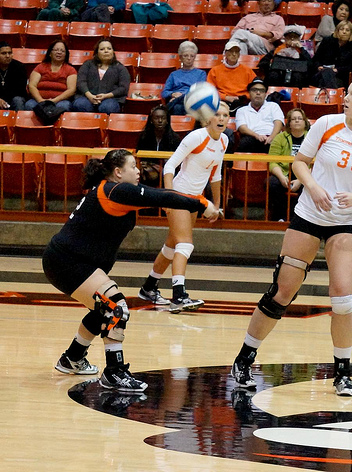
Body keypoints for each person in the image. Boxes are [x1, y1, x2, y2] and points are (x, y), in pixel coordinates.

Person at [230, 77, 352, 396]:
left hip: (345, 222)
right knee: (282, 291)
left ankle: (342, 373)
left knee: (343, 299)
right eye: (347, 93)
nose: (345, 98)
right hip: (309, 214)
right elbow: (300, 163)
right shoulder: (327, 124)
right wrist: (314, 188)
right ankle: (244, 359)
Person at [44, 149, 217, 392]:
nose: (138, 171)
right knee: (115, 307)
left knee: (102, 309)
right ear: (118, 172)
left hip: (71, 261)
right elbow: (161, 196)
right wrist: (201, 203)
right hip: (67, 261)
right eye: (133, 167)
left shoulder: (115, 192)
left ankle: (72, 358)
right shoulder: (115, 190)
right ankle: (113, 373)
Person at [138, 102, 230, 310]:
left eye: (225, 115)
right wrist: (169, 197)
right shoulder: (196, 137)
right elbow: (169, 166)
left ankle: (148, 288)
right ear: (208, 119)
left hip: (195, 199)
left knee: (172, 246)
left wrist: (216, 205)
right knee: (185, 244)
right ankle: (179, 296)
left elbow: (215, 175)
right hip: (178, 195)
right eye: (217, 115)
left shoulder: (223, 141)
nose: (222, 119)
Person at [268, 108, 310, 221]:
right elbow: (272, 161)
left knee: (309, 186)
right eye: (293, 119)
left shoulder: (311, 138)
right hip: (284, 172)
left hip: (305, 174)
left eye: (300, 118)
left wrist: (301, 180)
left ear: (305, 122)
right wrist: (281, 177)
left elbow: (316, 164)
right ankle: (279, 217)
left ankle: (297, 219)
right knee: (272, 184)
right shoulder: (280, 138)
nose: (297, 121)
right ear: (289, 123)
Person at [72, 39, 130, 114]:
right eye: (102, 49)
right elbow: (81, 82)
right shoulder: (87, 65)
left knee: (108, 107)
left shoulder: (120, 68)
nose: (106, 51)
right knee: (80, 104)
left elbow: (123, 88)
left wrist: (106, 96)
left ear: (113, 52)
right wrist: (90, 96)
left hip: (111, 99)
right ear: (97, 53)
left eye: (109, 49)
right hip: (87, 97)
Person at [136, 105, 181, 188]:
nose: (160, 121)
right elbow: (139, 156)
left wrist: (161, 167)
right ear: (151, 120)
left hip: (168, 170)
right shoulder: (143, 137)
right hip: (149, 169)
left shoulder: (175, 138)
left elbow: (178, 161)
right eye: (156, 118)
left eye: (163, 118)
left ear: (167, 121)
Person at [25, 40, 77, 113]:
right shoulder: (40, 67)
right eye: (56, 50)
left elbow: (71, 90)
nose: (59, 52)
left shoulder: (70, 70)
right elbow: (32, 85)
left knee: (64, 106)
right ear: (50, 53)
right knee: (29, 105)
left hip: (61, 101)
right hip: (39, 100)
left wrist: (54, 100)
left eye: (62, 51)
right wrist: (40, 100)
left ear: (66, 55)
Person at [235, 77, 284, 153]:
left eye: (261, 90)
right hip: (252, 138)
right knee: (244, 143)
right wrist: (257, 136)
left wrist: (271, 137)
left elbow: (278, 123)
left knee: (279, 142)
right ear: (249, 93)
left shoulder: (273, 106)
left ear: (265, 94)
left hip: (272, 137)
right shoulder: (241, 110)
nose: (258, 93)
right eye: (254, 90)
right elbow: (242, 128)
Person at [206, 40, 256, 114]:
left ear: (239, 54)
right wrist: (225, 97)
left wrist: (243, 97)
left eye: (236, 52)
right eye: (231, 51)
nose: (234, 54)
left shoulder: (248, 71)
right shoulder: (215, 71)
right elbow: (209, 90)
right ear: (225, 53)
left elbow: (255, 88)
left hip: (242, 102)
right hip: (221, 102)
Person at [258, 24, 313, 89]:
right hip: (279, 76)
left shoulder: (302, 51)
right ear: (285, 38)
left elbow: (310, 65)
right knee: (273, 75)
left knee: (298, 76)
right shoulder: (278, 50)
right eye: (289, 37)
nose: (292, 39)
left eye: (295, 37)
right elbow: (263, 63)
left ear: (298, 39)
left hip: (296, 77)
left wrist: (301, 49)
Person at [312, 20, 352, 89]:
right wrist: (319, 67)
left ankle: (326, 96)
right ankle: (333, 95)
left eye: (347, 30)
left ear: (351, 33)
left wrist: (337, 70)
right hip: (320, 73)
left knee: (324, 79)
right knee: (326, 73)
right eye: (342, 29)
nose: (344, 32)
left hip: (339, 77)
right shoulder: (327, 41)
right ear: (337, 31)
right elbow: (315, 59)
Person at [161, 41, 206, 116]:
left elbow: (199, 91)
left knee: (178, 105)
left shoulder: (201, 74)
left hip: (192, 101)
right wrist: (173, 94)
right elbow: (164, 93)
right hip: (178, 104)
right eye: (185, 56)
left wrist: (181, 96)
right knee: (177, 107)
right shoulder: (173, 75)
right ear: (180, 57)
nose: (189, 58)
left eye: (192, 56)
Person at [0, 42, 27, 111]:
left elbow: (20, 90)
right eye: (3, 53)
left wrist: (3, 99)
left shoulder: (19, 67)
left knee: (18, 100)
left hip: (13, 98)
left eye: (10, 53)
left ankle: (19, 121)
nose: (7, 56)